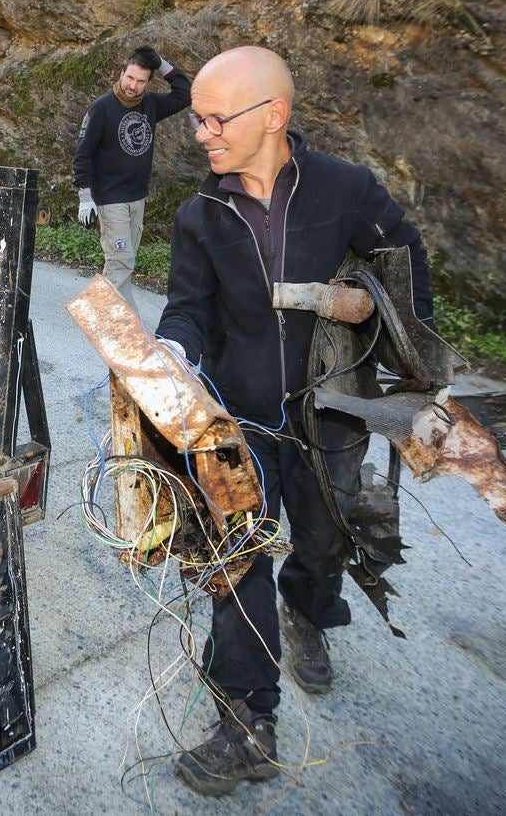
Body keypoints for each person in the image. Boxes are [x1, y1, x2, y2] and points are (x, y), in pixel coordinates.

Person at [153, 46, 432, 797]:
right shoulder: (200, 214)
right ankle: (248, 720)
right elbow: (187, 305)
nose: (201, 133)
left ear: (272, 114)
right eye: (197, 119)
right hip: (240, 417)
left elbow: (404, 262)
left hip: (330, 412)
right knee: (235, 560)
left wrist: (394, 326)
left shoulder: (345, 188)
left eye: (215, 118)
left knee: (323, 537)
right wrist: (171, 345)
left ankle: (309, 607)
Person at [72, 44, 191, 309]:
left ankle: (127, 322)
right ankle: (102, 319)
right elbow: (83, 154)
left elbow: (185, 94)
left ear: (148, 82)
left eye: (140, 81)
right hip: (111, 198)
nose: (133, 86)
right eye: (129, 77)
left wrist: (161, 63)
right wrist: (85, 196)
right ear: (121, 72)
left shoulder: (151, 104)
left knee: (125, 260)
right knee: (120, 260)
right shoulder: (101, 108)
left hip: (137, 198)